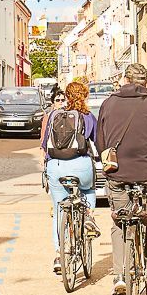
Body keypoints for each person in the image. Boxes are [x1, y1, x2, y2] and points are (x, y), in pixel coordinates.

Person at [94, 63, 147, 295]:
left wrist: (107, 164)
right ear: (146, 83)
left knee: (119, 222)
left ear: (124, 80)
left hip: (118, 174)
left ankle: (120, 276)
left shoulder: (108, 104)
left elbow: (99, 140)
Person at [40, 81, 98, 269]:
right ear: (85, 96)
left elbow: (44, 145)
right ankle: (88, 216)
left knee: (58, 209)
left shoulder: (55, 115)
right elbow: (99, 141)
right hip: (81, 165)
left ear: (66, 96)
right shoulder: (88, 116)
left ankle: (59, 254)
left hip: (55, 167)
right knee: (88, 189)